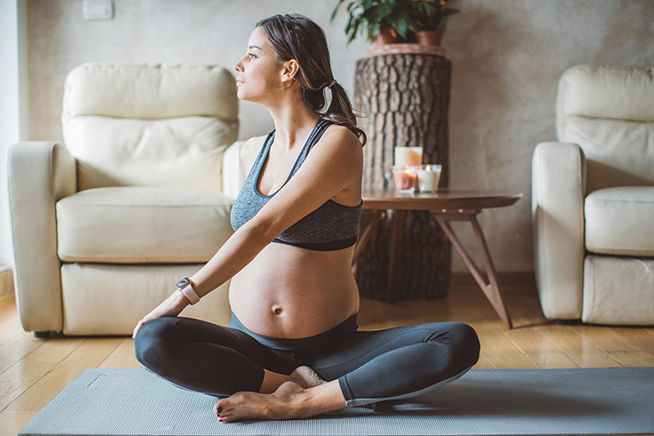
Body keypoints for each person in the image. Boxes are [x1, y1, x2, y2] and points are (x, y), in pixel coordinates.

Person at [132, 13, 480, 423]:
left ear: (289, 69)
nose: (238, 65)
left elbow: (263, 227)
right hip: (251, 347)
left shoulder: (337, 142)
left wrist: (180, 297)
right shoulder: (250, 152)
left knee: (456, 341)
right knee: (154, 340)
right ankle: (287, 383)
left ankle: (302, 401)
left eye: (251, 54)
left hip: (331, 351)